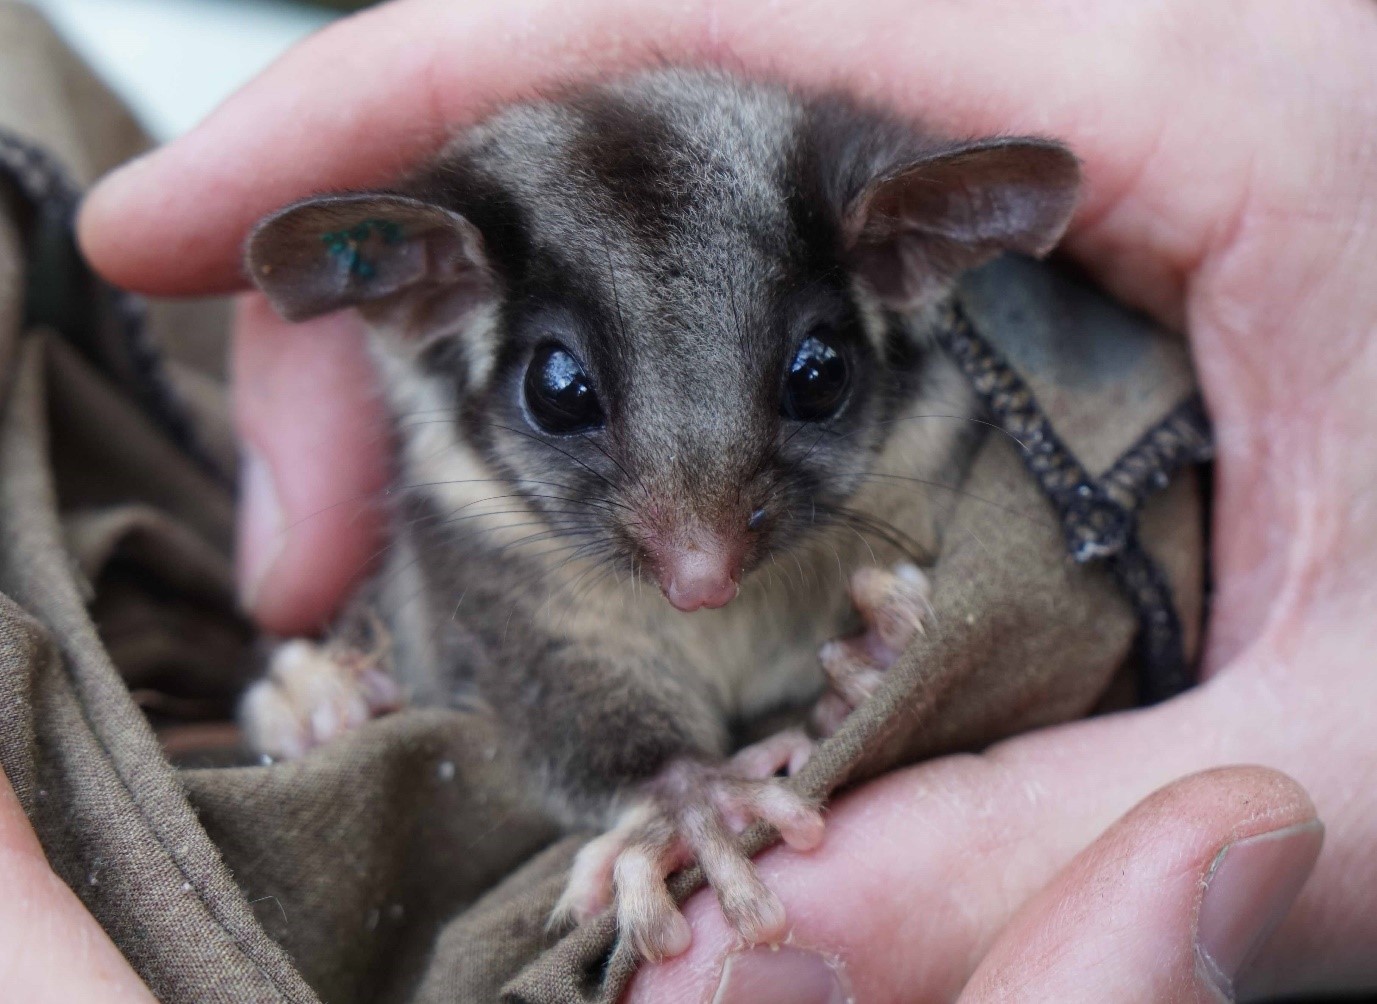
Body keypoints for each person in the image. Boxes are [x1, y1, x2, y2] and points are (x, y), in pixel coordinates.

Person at [3, 1, 1370, 1000]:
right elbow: (550, 686)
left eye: (812, 378)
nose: (703, 559)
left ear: (901, 256)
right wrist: (659, 785)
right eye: (565, 396)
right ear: (429, 291)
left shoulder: (954, 386)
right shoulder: (461, 471)